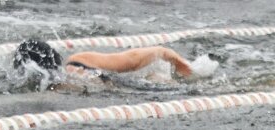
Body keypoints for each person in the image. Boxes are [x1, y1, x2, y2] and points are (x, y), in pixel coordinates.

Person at [11, 39, 195, 85]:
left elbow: (133, 60)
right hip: (140, 89)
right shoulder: (79, 62)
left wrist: (175, 60)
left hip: (140, 88)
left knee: (158, 78)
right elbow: (133, 59)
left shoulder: (77, 65)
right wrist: (175, 59)